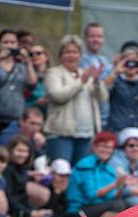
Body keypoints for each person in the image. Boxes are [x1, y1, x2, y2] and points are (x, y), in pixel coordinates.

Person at [3, 135, 82, 217]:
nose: (22, 154)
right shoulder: (7, 170)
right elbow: (9, 198)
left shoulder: (23, 171)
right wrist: (30, 213)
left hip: (28, 210)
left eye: (25, 151)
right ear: (11, 151)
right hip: (18, 214)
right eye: (19, 151)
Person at [43, 34, 107, 165]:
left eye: (75, 52)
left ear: (80, 55)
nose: (71, 55)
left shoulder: (86, 73)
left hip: (86, 134)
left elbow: (103, 98)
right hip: (61, 134)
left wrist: (95, 80)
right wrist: (81, 82)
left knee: (80, 173)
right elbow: (57, 96)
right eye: (67, 52)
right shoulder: (54, 73)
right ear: (60, 55)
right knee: (61, 171)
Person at [0, 29, 37, 146]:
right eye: (6, 42)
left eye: (12, 42)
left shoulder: (21, 66)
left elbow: (32, 84)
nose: (9, 45)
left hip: (15, 117)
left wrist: (28, 61)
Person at [67, 130, 127, 217]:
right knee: (118, 205)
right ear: (94, 147)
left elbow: (113, 197)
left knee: (124, 205)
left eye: (109, 148)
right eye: (103, 146)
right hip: (79, 210)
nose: (106, 150)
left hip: (96, 207)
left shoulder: (109, 169)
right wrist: (114, 184)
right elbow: (91, 195)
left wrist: (121, 185)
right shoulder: (85, 164)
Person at [80, 22, 112, 125]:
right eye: (92, 36)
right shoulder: (81, 59)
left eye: (99, 37)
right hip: (90, 116)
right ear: (85, 38)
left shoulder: (104, 60)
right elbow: (97, 84)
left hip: (105, 116)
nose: (96, 40)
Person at [25, 44, 50, 112]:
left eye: (38, 53)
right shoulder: (25, 77)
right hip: (30, 116)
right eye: (31, 54)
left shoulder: (54, 75)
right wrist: (36, 103)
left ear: (46, 56)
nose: (34, 56)